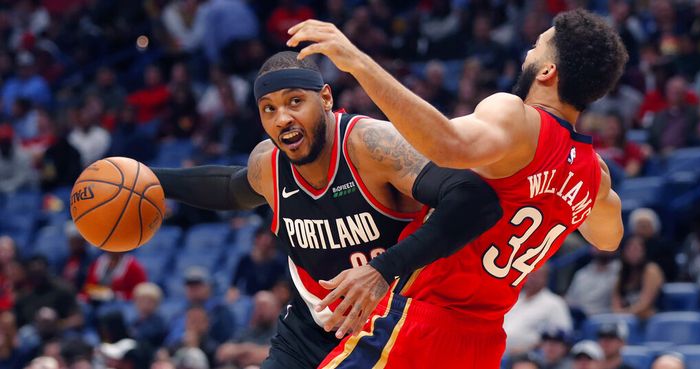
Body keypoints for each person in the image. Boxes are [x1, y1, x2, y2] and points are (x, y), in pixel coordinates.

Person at [287, 8, 626, 368]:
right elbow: (609, 238)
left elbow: (446, 145)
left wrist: (357, 62)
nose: (527, 53)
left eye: (536, 47)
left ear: (547, 71)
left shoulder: (517, 118)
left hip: (422, 323)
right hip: (483, 344)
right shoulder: (594, 174)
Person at [152, 50, 502, 369]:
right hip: (309, 332)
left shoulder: (369, 145)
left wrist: (381, 270)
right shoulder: (268, 164)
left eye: (294, 102)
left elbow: (475, 200)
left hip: (390, 328)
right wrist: (151, 179)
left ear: (325, 99)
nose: (282, 119)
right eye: (268, 109)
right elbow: (231, 189)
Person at [504, 266, 573, 354]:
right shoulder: (513, 298)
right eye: (530, 274)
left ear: (546, 278)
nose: (532, 278)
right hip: (496, 350)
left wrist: (528, 350)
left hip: (527, 357)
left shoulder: (554, 303)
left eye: (537, 275)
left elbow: (562, 337)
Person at [612, 236, 664, 319]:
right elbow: (615, 301)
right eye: (629, 249)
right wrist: (619, 314)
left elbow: (645, 303)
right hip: (626, 319)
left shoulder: (652, 270)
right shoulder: (621, 272)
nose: (633, 252)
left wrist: (624, 315)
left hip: (649, 319)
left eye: (636, 249)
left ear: (644, 251)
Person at [565, 248, 621, 316]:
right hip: (579, 317)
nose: (602, 249)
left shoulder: (620, 271)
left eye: (605, 245)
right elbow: (570, 300)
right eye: (597, 245)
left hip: (605, 319)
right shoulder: (581, 274)